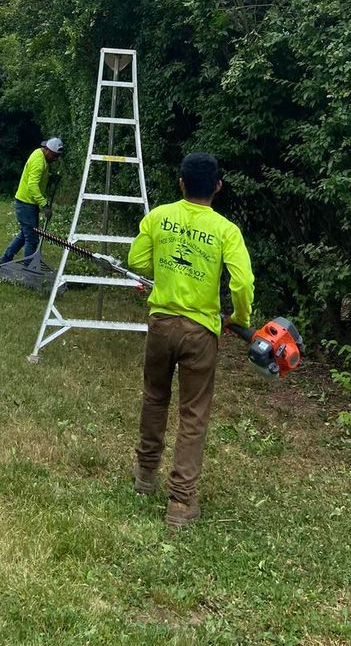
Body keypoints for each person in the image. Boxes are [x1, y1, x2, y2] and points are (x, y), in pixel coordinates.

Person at [128, 152, 254, 529]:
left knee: (155, 397)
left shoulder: (159, 217)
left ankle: (145, 474)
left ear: (181, 183)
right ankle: (180, 503)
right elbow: (243, 283)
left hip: (161, 324)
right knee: (193, 413)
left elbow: (137, 261)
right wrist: (240, 320)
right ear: (217, 186)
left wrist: (159, 274)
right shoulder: (226, 230)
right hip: (201, 332)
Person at [0, 137, 64, 267]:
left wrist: (49, 178)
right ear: (48, 150)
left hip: (27, 203)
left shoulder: (39, 154)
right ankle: (28, 268)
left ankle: (4, 260)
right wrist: (45, 205)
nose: (55, 159)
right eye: (54, 156)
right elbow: (33, 186)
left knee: (24, 235)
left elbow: (37, 176)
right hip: (26, 204)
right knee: (32, 239)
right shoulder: (39, 161)